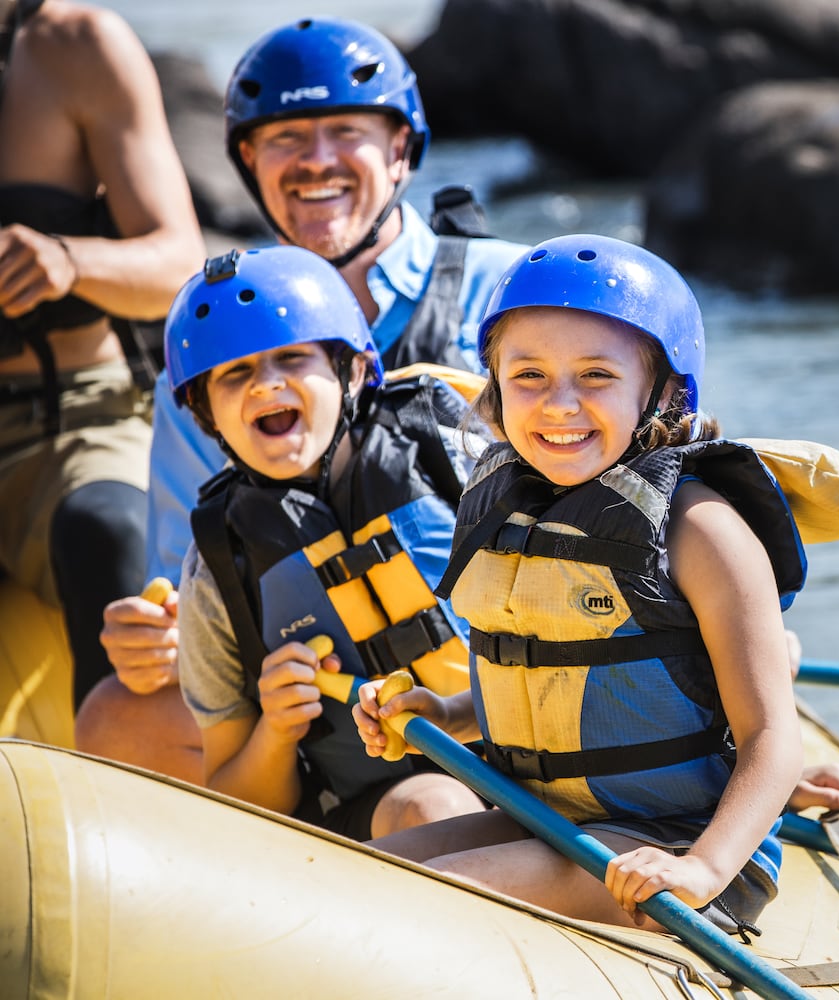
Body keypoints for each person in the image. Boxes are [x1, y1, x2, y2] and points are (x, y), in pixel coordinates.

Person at [97, 16, 529, 773]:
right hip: (324, 697)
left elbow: (648, 460)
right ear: (248, 161)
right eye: (286, 139)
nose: (315, 161)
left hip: (500, 667)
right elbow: (194, 581)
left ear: (400, 150)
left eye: (344, 132)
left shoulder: (517, 291)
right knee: (113, 717)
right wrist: (153, 640)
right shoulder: (200, 361)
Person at [355, 234, 818, 934]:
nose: (559, 404)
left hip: (678, 845)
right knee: (349, 874)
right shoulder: (499, 506)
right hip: (546, 822)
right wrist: (446, 714)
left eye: (597, 376)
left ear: (662, 392)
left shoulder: (702, 531)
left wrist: (704, 869)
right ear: (494, 385)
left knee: (415, 904)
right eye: (528, 376)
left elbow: (772, 736)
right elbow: (552, 670)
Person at [165, 244, 491, 838]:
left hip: (535, 754)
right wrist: (277, 729)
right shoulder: (217, 567)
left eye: (291, 358)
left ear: (354, 370)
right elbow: (235, 796)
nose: (264, 385)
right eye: (234, 373)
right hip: (391, 805)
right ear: (207, 412)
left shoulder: (446, 448)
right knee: (435, 805)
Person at [0, 0, 204, 774]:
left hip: (76, 421)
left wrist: (67, 260)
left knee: (109, 532)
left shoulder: (79, 44)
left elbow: (178, 262)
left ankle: (142, 822)